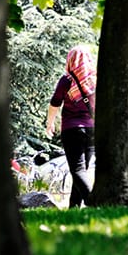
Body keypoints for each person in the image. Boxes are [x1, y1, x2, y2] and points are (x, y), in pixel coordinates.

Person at [45, 46, 96, 208]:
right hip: (91, 130)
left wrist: (50, 123)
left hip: (72, 130)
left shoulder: (67, 80)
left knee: (78, 170)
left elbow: (55, 103)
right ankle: (73, 208)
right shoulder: (95, 79)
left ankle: (94, 203)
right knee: (81, 170)